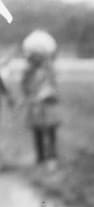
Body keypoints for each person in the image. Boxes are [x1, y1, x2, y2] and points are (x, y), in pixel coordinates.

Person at [20, 30, 60, 170]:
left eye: (39, 56)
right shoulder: (28, 71)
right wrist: (30, 96)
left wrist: (47, 93)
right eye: (34, 56)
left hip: (48, 104)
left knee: (50, 130)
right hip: (36, 105)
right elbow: (24, 86)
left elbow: (53, 86)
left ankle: (52, 157)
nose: (36, 59)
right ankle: (40, 157)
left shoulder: (49, 69)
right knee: (37, 130)